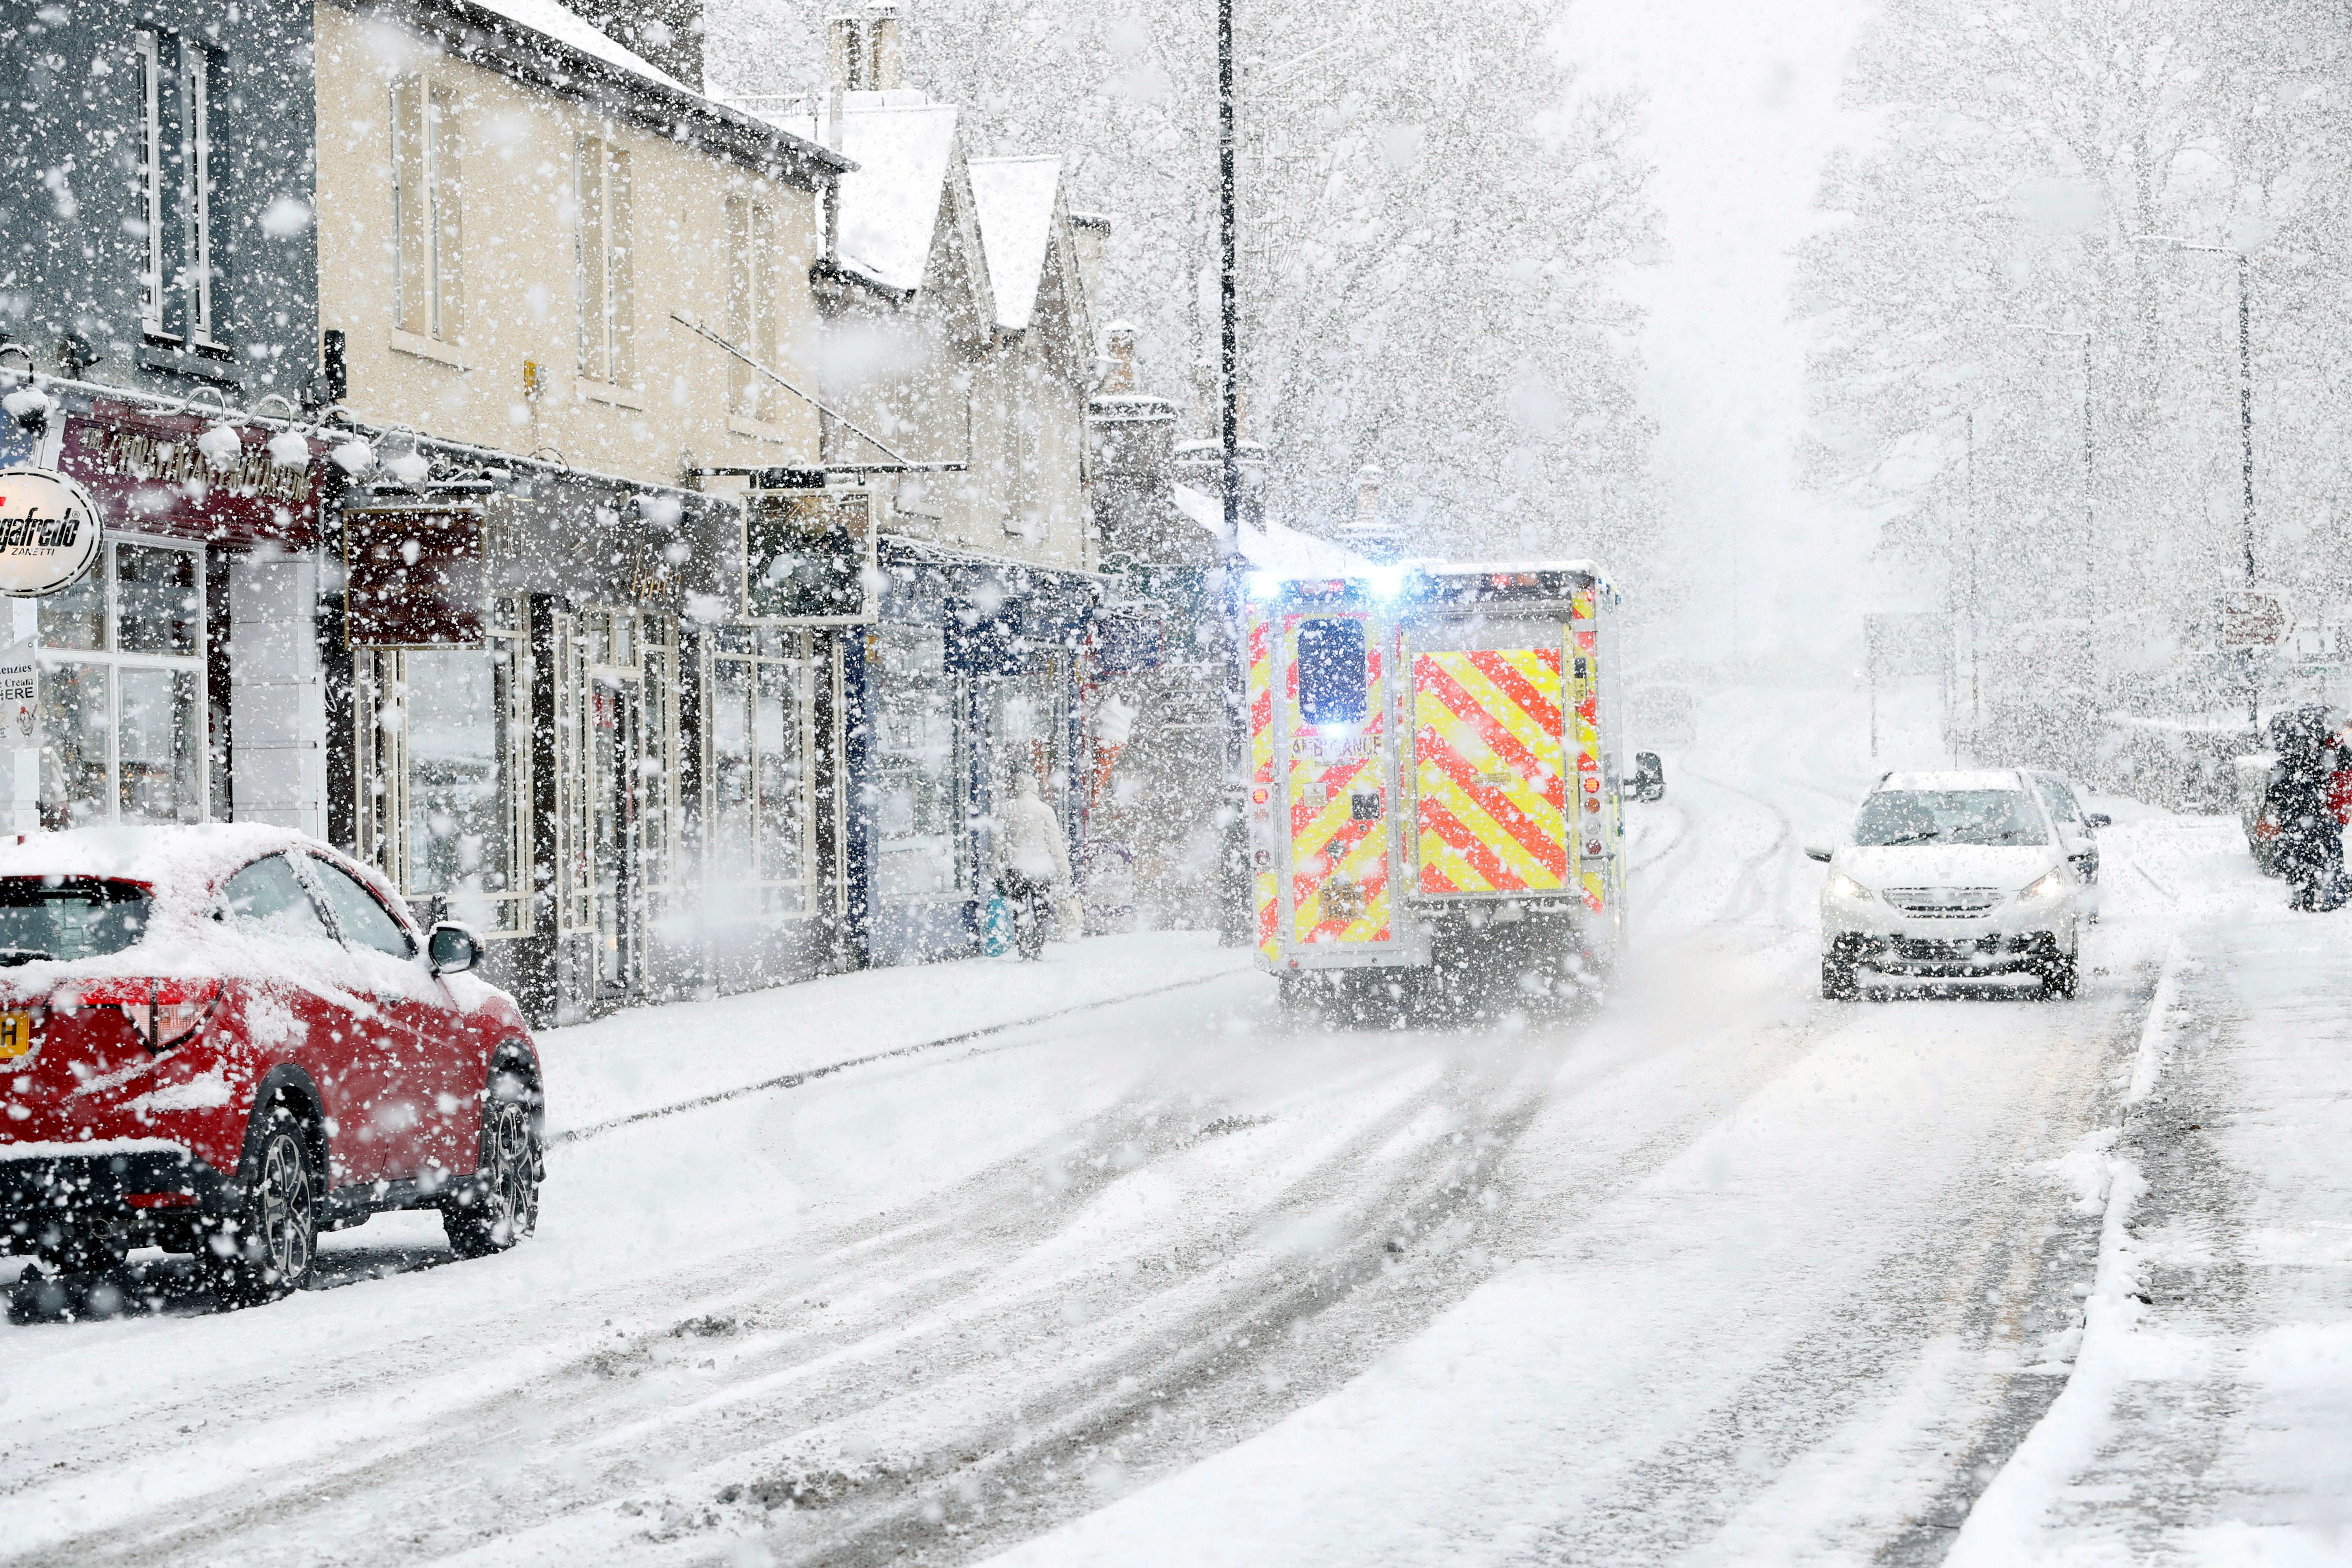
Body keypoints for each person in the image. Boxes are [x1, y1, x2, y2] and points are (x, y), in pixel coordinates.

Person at [2263, 707, 2346, 911]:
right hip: (2315, 821)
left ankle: (2297, 899)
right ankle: (2323, 898)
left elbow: (2272, 795)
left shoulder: (2281, 767)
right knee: (2320, 857)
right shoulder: (2317, 762)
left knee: (2295, 860)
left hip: (2292, 822)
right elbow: (2328, 784)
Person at [993, 772, 1072, 959]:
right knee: (1041, 910)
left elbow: (998, 844)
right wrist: (1065, 871)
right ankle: (1037, 947)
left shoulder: (1006, 810)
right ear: (1035, 788)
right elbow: (1055, 844)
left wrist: (996, 871)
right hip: (1040, 870)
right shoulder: (1044, 810)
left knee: (1020, 909)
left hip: (1015, 869)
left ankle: (1023, 948)